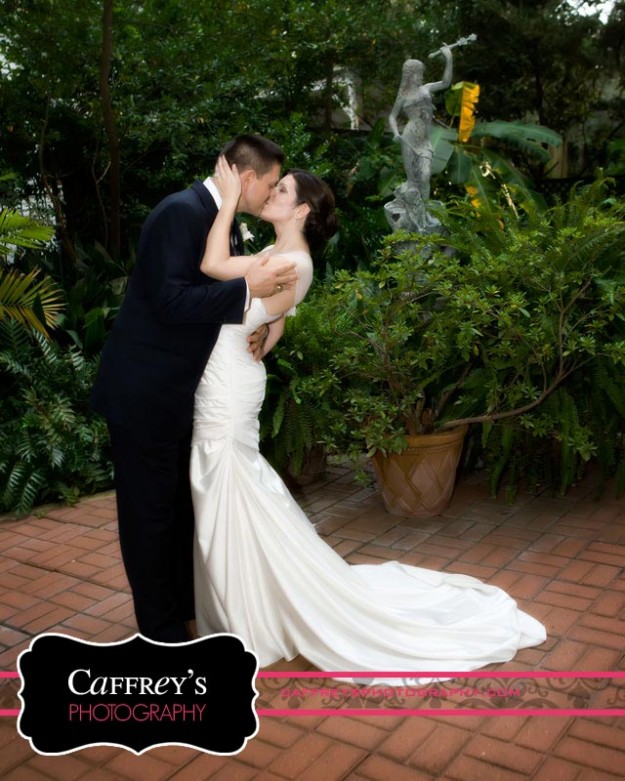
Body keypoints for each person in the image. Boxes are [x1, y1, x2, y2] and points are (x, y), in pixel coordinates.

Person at [190, 158, 547, 683]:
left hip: (229, 385)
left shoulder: (294, 262)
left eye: (281, 190)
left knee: (227, 478)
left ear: (302, 210)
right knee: (227, 481)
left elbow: (213, 265)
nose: (271, 194)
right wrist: (269, 332)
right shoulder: (276, 254)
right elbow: (275, 312)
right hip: (229, 373)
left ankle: (251, 612)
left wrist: (224, 201)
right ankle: (246, 602)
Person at [91, 134, 300, 643]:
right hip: (145, 392)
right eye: (270, 183)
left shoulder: (219, 219)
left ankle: (184, 607)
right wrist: (245, 291)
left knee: (178, 509)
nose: (269, 194)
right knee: (149, 515)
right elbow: (170, 302)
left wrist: (259, 324)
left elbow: (218, 298)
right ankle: (161, 631)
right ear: (246, 178)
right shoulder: (180, 213)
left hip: (184, 393)